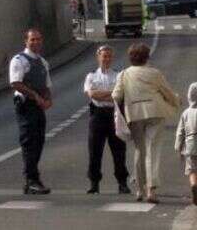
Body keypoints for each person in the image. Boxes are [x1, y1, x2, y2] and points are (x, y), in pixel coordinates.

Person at [113, 42, 181, 203]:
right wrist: (177, 101)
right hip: (155, 112)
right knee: (153, 150)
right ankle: (151, 190)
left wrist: (120, 113)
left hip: (135, 114)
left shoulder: (123, 74)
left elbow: (116, 95)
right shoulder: (154, 73)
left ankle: (139, 190)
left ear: (130, 58)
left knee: (139, 151)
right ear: (147, 57)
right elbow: (167, 92)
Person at [9, 28, 53, 195]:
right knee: (29, 142)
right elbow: (16, 83)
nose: (36, 42)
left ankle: (33, 179)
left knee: (39, 140)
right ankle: (31, 179)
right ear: (26, 41)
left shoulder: (43, 62)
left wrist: (48, 99)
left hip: (38, 106)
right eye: (32, 39)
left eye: (38, 39)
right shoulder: (19, 60)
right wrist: (35, 96)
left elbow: (46, 84)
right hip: (26, 105)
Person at [83, 45, 130, 195]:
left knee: (119, 150)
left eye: (109, 56)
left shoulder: (118, 75)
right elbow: (92, 94)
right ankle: (94, 183)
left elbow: (119, 95)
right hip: (97, 115)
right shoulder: (91, 76)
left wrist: (104, 94)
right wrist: (110, 94)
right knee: (94, 150)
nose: (107, 59)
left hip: (114, 114)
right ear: (98, 57)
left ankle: (122, 182)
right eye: (104, 56)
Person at [174, 83, 197, 205]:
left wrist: (178, 147)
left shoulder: (186, 113)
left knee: (192, 170)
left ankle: (194, 185)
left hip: (191, 145)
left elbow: (180, 132)